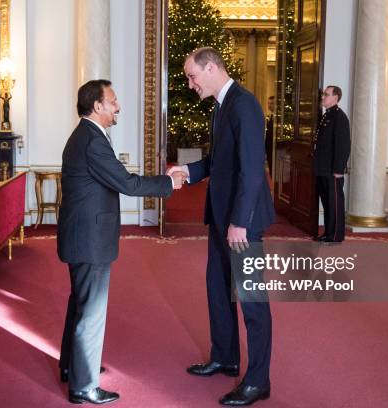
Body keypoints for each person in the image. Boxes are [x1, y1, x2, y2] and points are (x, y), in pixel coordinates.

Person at [57, 79, 186, 405]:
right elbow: (127, 183)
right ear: (97, 106)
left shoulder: (86, 136)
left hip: (81, 235)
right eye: (113, 101)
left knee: (81, 304)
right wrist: (168, 182)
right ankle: (83, 387)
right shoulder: (92, 141)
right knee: (92, 311)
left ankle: (72, 368)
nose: (118, 107)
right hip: (89, 239)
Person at [168, 47, 275, 406]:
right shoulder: (221, 106)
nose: (189, 82)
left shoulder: (244, 104)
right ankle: (225, 357)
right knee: (218, 289)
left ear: (211, 68)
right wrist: (189, 171)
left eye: (191, 75)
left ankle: (258, 380)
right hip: (220, 216)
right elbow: (220, 161)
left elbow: (251, 169)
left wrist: (240, 223)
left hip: (241, 222)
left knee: (251, 301)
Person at [312, 85, 351, 243]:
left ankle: (335, 236)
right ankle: (328, 232)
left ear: (336, 97)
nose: (323, 97)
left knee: (334, 203)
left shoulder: (339, 117)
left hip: (332, 170)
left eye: (326, 95)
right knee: (327, 203)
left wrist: (338, 169)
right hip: (323, 168)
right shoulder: (327, 116)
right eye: (323, 94)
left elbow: (343, 145)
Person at [265, 96, 275, 174]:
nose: (269, 105)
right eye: (268, 103)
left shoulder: (277, 118)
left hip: (273, 146)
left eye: (271, 103)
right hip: (269, 146)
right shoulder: (270, 116)